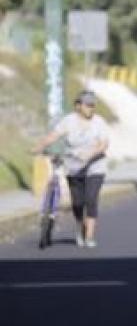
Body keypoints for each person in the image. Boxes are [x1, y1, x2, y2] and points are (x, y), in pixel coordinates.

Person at [32, 91, 109, 248]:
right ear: (78, 106)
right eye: (87, 104)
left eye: (92, 105)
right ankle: (80, 226)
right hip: (74, 168)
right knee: (77, 203)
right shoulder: (69, 121)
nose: (90, 108)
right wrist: (39, 147)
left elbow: (103, 144)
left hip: (95, 166)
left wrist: (90, 154)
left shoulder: (99, 122)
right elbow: (54, 135)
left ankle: (89, 236)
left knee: (91, 199)